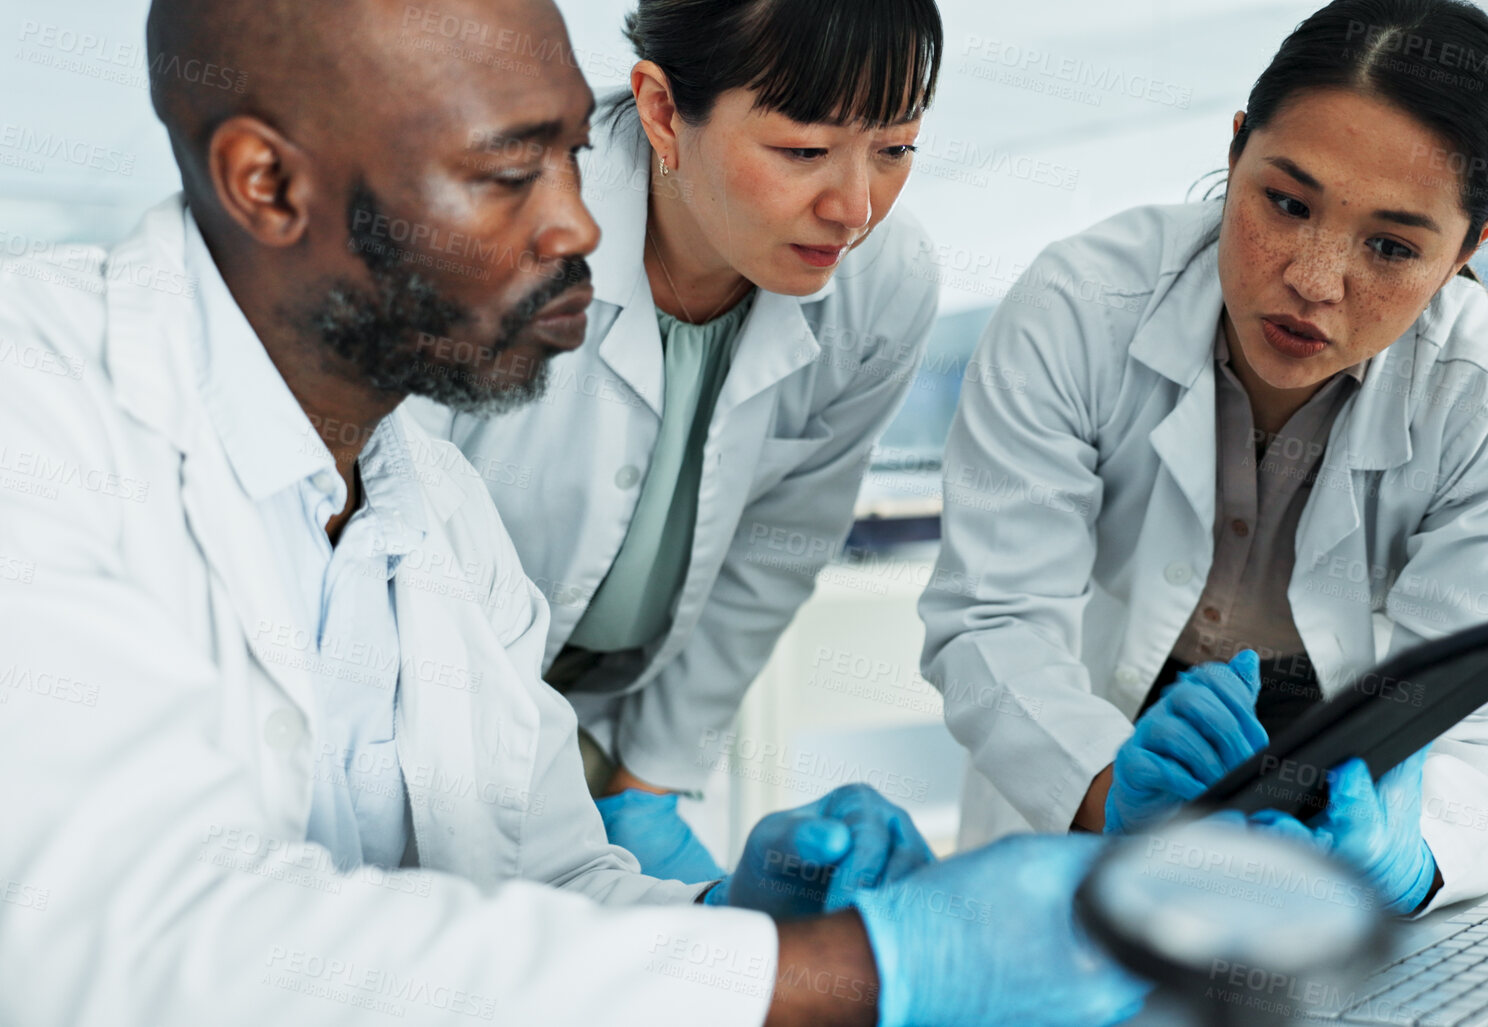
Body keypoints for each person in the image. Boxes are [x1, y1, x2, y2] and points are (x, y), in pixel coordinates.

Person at [0, 0, 1145, 1023]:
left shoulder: (432, 509)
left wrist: (730, 916)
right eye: (507, 175)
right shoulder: (39, 408)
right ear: (268, 183)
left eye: (566, 157)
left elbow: (546, 876)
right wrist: (848, 973)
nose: (581, 229)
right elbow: (143, 941)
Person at [919, 0, 1488, 916]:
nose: (1313, 279)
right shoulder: (1082, 303)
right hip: (1095, 752)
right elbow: (995, 618)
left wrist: (1403, 857)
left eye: (1390, 246)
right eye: (1284, 202)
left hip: (1342, 782)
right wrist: (1113, 797)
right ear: (1234, 151)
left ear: (1470, 247)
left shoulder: (1481, 398)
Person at [407, 0, 943, 880]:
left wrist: (647, 781)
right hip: (424, 708)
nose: (854, 207)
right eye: (803, 150)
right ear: (661, 110)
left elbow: (780, 539)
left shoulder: (883, 283)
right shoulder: (490, 235)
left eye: (896, 148)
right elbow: (384, 549)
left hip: (610, 721)